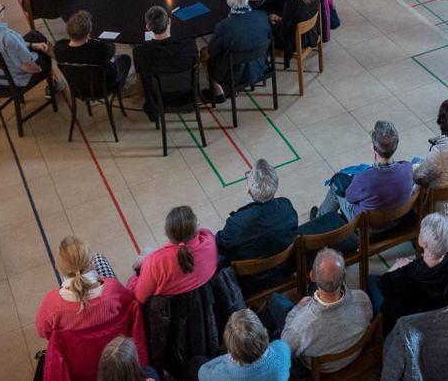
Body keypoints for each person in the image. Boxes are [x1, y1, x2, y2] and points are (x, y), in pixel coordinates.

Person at [278, 248, 373, 372]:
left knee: (275, 300)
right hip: (353, 356)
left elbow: (285, 348)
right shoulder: (362, 299)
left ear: (312, 276)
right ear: (344, 275)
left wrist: (297, 309)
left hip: (323, 370)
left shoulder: (302, 326)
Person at [372, 212, 448, 333]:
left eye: (420, 233)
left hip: (410, 324)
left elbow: (383, 284)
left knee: (372, 279)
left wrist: (395, 267)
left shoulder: (408, 275)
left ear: (423, 243)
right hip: (439, 315)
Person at [35, 235, 137, 340]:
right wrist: (133, 280)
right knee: (99, 257)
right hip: (113, 346)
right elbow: (130, 303)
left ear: (60, 268)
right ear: (90, 263)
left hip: (77, 349)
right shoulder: (113, 289)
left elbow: (42, 332)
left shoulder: (52, 304)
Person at [217, 159, 298, 288]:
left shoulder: (237, 223)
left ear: (248, 190)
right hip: (283, 270)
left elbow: (220, 245)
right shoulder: (286, 207)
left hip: (249, 283)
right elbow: (294, 230)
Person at [314, 120, 414, 221]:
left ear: (373, 148)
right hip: (394, 221)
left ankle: (319, 219)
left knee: (336, 186)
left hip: (367, 225)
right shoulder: (407, 169)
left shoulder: (364, 178)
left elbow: (349, 197)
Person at [129, 205, 217, 302]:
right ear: (196, 227)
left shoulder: (155, 262)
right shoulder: (208, 239)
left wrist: (136, 276)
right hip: (205, 299)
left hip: (173, 307)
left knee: (147, 250)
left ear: (167, 234)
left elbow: (139, 298)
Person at [0, 0, 59, 95]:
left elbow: (6, 46)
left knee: (34, 35)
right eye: (2, 8)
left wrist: (31, 45)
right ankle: (54, 84)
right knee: (43, 52)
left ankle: (58, 71)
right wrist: (41, 69)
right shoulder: (8, 36)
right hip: (15, 81)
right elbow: (27, 67)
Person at [133, 5, 207, 119]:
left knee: (141, 75)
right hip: (188, 96)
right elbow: (196, 63)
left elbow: (141, 74)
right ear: (169, 22)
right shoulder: (189, 45)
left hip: (159, 99)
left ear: (148, 27)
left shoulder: (141, 52)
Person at [205, 0, 272, 99]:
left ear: (228, 2)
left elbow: (212, 51)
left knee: (205, 53)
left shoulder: (224, 26)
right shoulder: (262, 16)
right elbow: (268, 37)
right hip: (260, 66)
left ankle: (218, 92)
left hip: (235, 76)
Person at [197, 309, 290, 381]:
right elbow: (278, 345)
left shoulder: (220, 375)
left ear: (230, 351)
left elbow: (202, 371)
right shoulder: (282, 349)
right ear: (265, 333)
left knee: (197, 361)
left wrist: (226, 358)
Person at [55, 10, 132, 94]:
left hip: (78, 89)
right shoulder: (100, 49)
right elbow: (111, 47)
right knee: (125, 59)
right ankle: (118, 87)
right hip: (103, 87)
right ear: (88, 33)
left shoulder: (59, 48)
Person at [269, 0, 320, 69]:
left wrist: (277, 20)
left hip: (296, 41)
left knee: (266, 27)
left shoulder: (292, 1)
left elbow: (285, 28)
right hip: (311, 34)